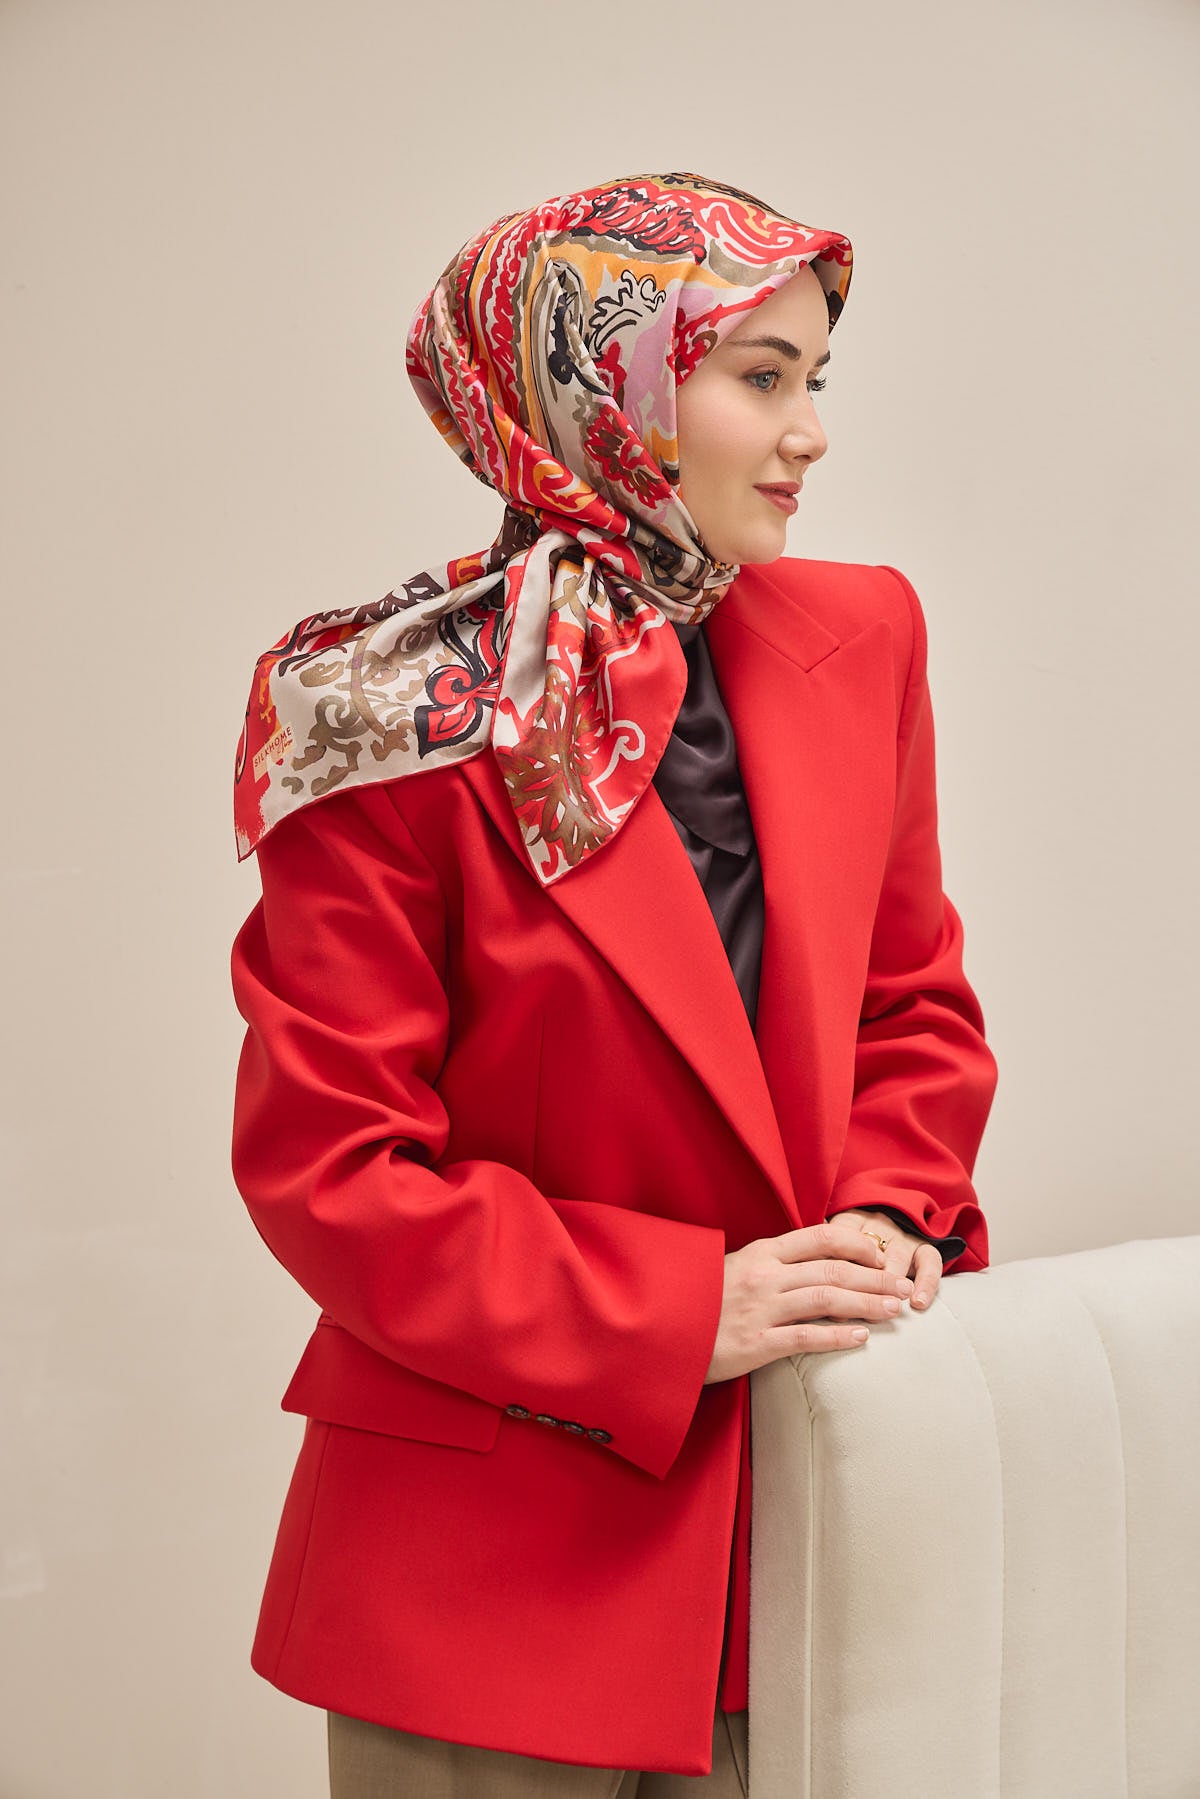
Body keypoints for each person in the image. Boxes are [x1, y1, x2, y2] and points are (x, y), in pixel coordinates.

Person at [229, 171, 997, 1796]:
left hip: (811, 1526)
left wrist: (890, 1211)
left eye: (816, 379)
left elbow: (912, 1004)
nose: (810, 435)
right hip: (484, 1568)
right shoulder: (378, 714)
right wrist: (674, 1311)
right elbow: (333, 1169)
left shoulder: (864, 638)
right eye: (761, 379)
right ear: (605, 392)